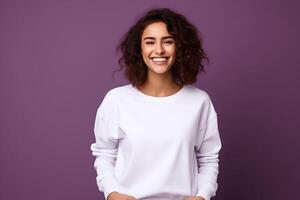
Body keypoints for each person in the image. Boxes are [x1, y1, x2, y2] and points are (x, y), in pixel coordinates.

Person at [90, 8, 222, 200]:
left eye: (168, 41)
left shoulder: (199, 101)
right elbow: (104, 154)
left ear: (180, 47)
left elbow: (209, 158)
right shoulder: (116, 100)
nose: (159, 50)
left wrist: (202, 196)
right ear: (139, 49)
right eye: (150, 42)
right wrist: (112, 193)